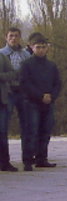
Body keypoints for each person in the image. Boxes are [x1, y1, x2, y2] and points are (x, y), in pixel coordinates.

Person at [20, 34, 62, 171]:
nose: (41, 50)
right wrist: (40, 96)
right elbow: (25, 84)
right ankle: (27, 160)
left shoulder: (52, 65)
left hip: (49, 103)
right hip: (31, 103)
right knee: (31, 132)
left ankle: (41, 159)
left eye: (44, 47)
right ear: (32, 48)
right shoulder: (26, 65)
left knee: (46, 131)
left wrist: (52, 96)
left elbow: (58, 83)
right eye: (38, 47)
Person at [0, 27, 28, 172]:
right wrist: (15, 74)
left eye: (16, 36)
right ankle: (4, 161)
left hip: (23, 92)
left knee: (27, 126)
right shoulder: (2, 54)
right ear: (6, 37)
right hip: (7, 93)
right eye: (11, 36)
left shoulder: (25, 55)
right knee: (3, 128)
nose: (13, 38)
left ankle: (28, 159)